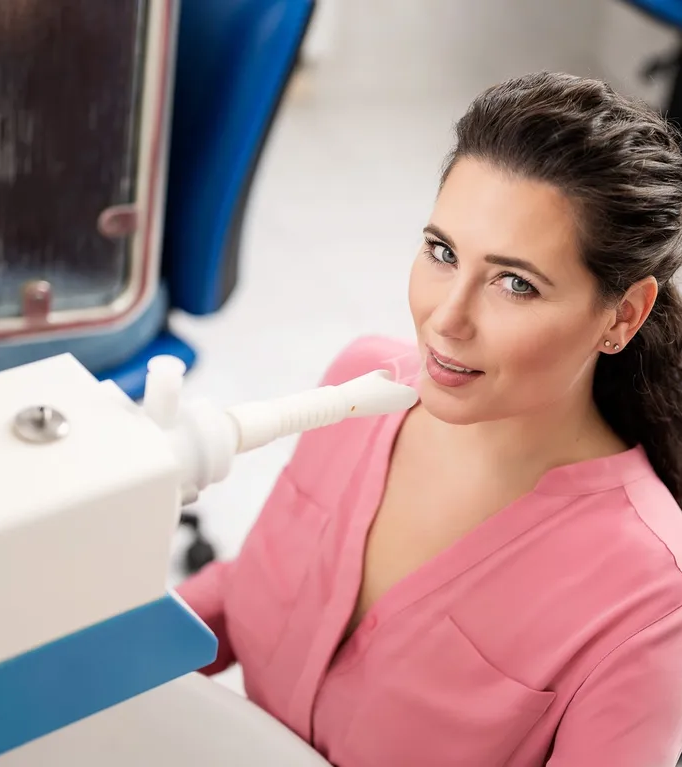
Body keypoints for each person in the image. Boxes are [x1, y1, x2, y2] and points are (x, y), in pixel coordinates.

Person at [177, 72, 682, 766]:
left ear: (622, 315)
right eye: (442, 253)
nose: (446, 319)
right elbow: (253, 586)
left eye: (515, 283)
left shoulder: (650, 597)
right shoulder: (359, 388)